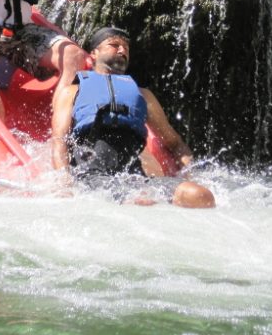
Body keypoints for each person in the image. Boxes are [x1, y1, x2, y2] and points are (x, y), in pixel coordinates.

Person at [50, 27, 216, 209]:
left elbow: (175, 143)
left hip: (135, 177)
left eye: (126, 48)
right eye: (114, 45)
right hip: (91, 175)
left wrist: (191, 174)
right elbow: (59, 140)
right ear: (94, 54)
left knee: (201, 196)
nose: (122, 50)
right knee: (136, 202)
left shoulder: (142, 95)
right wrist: (64, 184)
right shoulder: (72, 91)